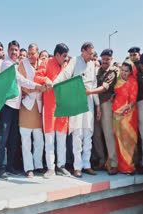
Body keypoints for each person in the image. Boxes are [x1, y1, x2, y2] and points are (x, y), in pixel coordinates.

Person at [51, 42, 101, 178]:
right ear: (82, 51)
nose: (91, 56)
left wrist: (98, 105)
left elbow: (94, 85)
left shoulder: (92, 64)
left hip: (89, 101)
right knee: (77, 134)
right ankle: (77, 167)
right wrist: (54, 84)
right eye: (89, 53)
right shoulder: (75, 61)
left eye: (92, 54)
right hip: (76, 100)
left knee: (88, 134)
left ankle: (87, 165)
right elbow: (64, 75)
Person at [0, 40, 43, 180]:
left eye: (16, 50)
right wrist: (37, 86)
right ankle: (0, 168)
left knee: (13, 139)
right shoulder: (7, 64)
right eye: (12, 50)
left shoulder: (17, 64)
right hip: (7, 105)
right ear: (8, 51)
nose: (14, 52)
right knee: (3, 138)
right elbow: (21, 80)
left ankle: (10, 166)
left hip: (17, 106)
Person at [34, 43, 71, 178]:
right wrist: (46, 79)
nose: (66, 59)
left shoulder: (67, 66)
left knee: (61, 139)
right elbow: (37, 77)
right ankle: (50, 168)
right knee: (49, 139)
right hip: (50, 107)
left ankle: (61, 166)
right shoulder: (46, 63)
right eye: (64, 56)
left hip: (63, 107)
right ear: (57, 55)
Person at [86, 49, 118, 175]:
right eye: (103, 58)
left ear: (111, 59)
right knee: (96, 134)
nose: (104, 61)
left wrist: (90, 92)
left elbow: (105, 87)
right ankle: (101, 160)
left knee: (108, 134)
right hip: (95, 105)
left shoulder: (112, 72)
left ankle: (114, 163)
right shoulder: (98, 70)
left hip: (105, 105)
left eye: (107, 59)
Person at [18, 44, 44, 178]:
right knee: (26, 139)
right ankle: (28, 168)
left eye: (33, 54)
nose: (31, 56)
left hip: (39, 107)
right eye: (29, 54)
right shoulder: (23, 64)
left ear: (38, 53)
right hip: (27, 105)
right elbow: (22, 83)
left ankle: (38, 164)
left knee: (39, 139)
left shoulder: (43, 64)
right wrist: (37, 88)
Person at [112, 60, 138, 174]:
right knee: (117, 140)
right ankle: (118, 165)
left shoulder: (133, 83)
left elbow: (133, 101)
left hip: (128, 115)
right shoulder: (117, 80)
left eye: (126, 71)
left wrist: (124, 109)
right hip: (116, 114)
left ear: (131, 72)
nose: (123, 73)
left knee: (128, 141)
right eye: (122, 70)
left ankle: (128, 167)